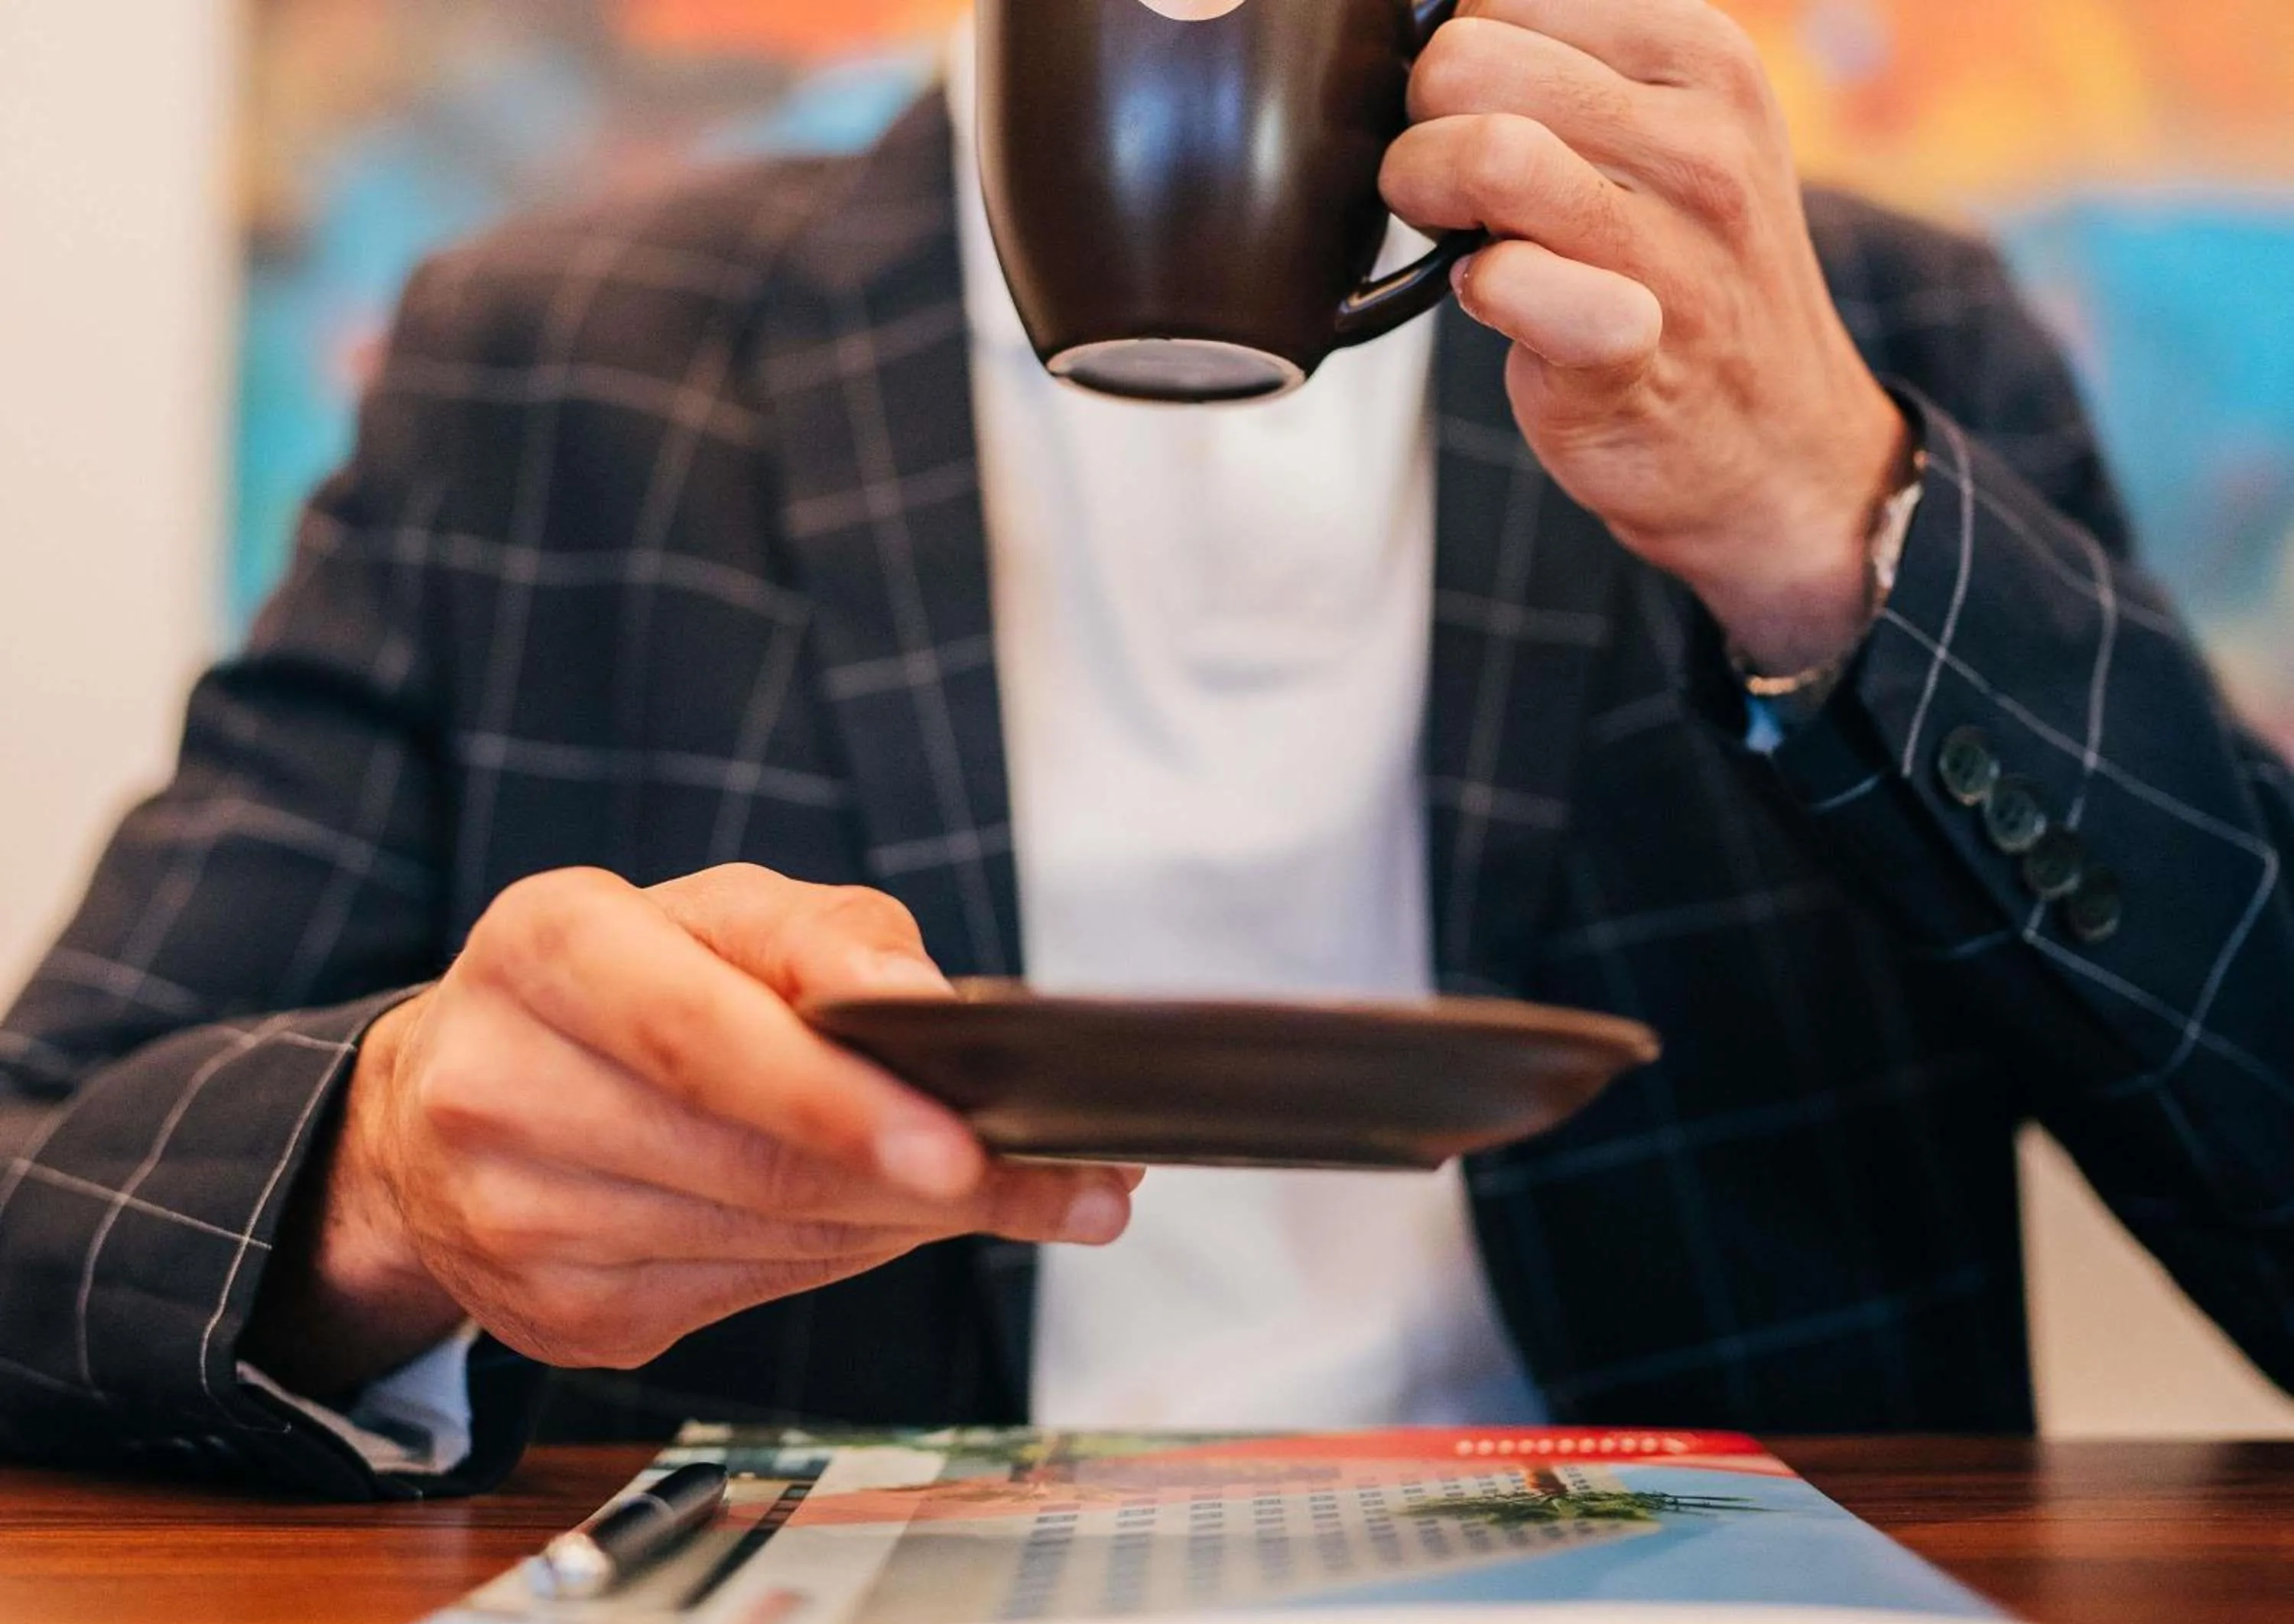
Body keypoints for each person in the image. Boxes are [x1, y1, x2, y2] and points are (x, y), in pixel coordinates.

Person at [2, 0, 2289, 1501]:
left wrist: (1829, 525)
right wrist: (390, 1175)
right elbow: (39, 1176)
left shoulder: (1862, 335)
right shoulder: (560, 365)